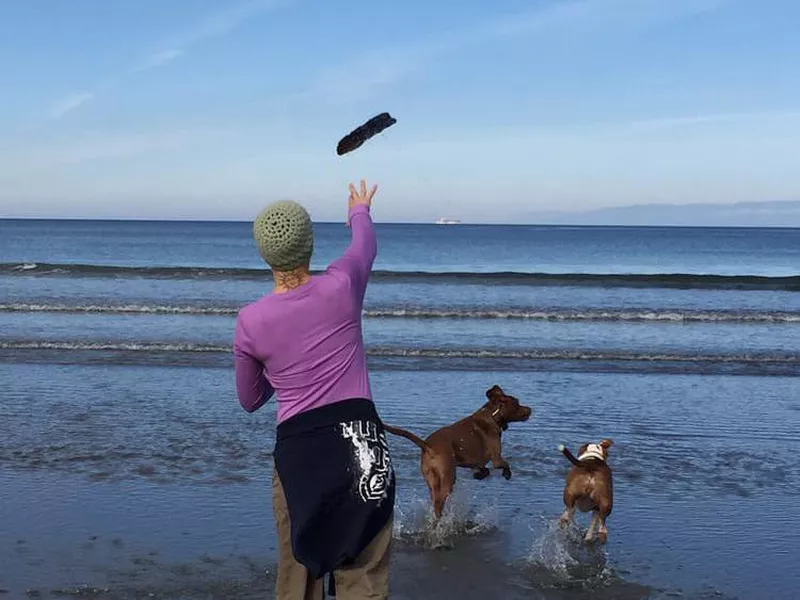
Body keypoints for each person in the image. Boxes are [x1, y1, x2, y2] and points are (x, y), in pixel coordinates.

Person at [233, 180, 395, 600]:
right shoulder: (342, 285)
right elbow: (365, 245)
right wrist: (358, 209)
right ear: (310, 243)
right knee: (364, 576)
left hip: (303, 454)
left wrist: (281, 370)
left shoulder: (251, 322)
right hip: (361, 443)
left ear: (264, 253)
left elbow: (249, 399)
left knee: (298, 575)